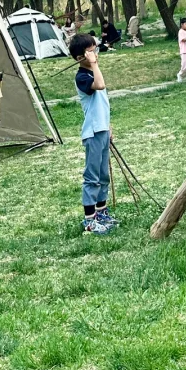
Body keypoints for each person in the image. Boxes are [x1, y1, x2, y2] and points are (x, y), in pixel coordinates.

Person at [69, 32, 117, 234]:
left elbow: (102, 105)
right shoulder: (82, 76)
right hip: (93, 132)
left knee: (103, 174)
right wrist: (94, 64)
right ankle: (89, 220)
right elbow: (100, 86)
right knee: (92, 176)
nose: (96, 54)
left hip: (102, 129)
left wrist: (108, 126)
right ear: (82, 56)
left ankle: (101, 212)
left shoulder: (93, 72)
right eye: (92, 51)